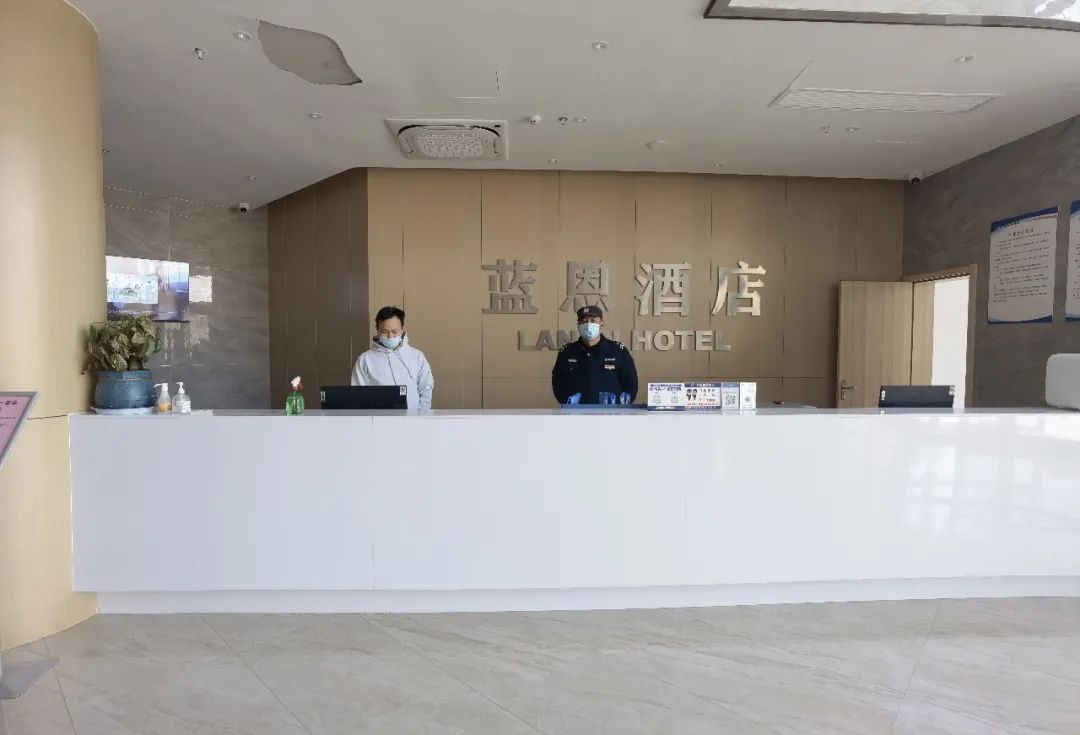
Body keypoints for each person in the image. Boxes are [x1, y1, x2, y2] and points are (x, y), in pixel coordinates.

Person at [551, 305, 638, 405]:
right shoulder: (567, 352)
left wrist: (622, 407)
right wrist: (567, 403)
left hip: (611, 412)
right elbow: (558, 381)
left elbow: (630, 383)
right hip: (575, 412)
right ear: (578, 325)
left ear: (602, 323)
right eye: (584, 321)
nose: (588, 324)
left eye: (593, 321)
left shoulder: (618, 351)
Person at [351, 306, 434, 410]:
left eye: (395, 331)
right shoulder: (365, 360)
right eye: (384, 331)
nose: (390, 336)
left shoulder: (417, 356)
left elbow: (426, 388)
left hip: (414, 417)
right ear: (377, 330)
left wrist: (421, 414)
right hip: (378, 418)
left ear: (402, 329)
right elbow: (359, 395)